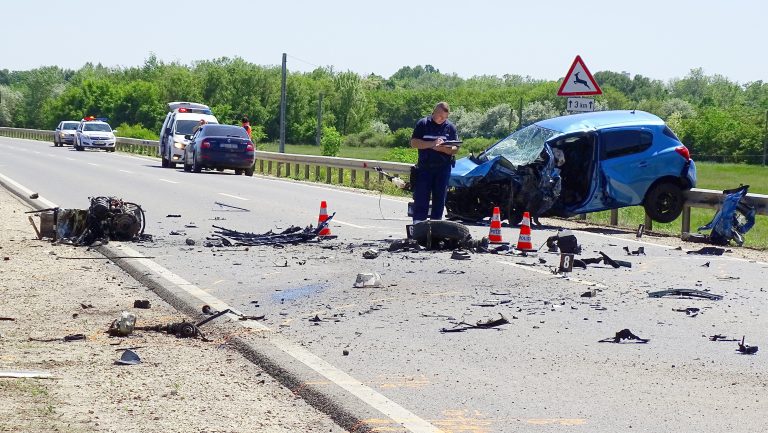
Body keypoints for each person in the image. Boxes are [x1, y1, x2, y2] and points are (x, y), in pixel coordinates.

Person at [409, 102, 459, 223]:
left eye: (445, 118)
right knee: (421, 197)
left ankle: (436, 225)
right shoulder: (423, 124)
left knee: (440, 198)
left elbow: (456, 148)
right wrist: (432, 144)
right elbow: (414, 142)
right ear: (434, 112)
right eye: (440, 116)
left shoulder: (450, 127)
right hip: (425, 168)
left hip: (443, 169)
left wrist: (443, 148)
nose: (442, 119)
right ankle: (418, 225)